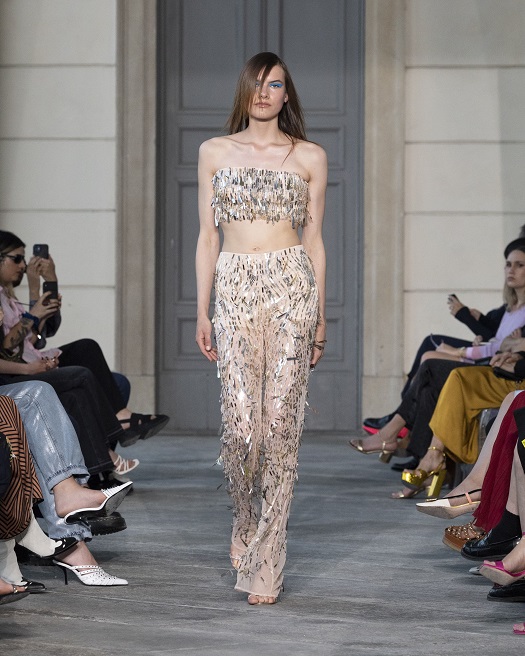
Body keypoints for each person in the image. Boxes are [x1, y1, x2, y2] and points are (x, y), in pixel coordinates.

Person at [195, 52, 327, 605]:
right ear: (244, 89)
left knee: (279, 426)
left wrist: (320, 318)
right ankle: (244, 521)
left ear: (286, 94)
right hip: (234, 288)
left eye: (275, 84)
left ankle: (268, 562)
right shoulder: (214, 151)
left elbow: (314, 239)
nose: (265, 92)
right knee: (242, 428)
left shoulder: (310, 156)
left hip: (291, 286)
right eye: (257, 82)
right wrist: (202, 311)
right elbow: (208, 236)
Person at [0, 230, 169, 444]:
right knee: (86, 367)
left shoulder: (8, 296)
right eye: (17, 259)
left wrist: (49, 281)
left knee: (114, 377)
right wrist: (34, 313)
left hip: (33, 360)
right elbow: (7, 347)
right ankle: (112, 442)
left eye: (24, 259)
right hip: (17, 372)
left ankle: (115, 436)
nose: (23, 266)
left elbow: (37, 338)